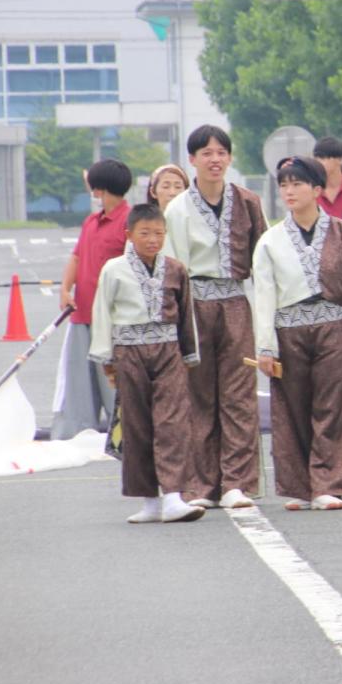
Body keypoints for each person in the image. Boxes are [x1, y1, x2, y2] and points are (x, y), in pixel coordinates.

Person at [253, 156, 342, 511]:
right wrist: (265, 347)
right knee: (292, 410)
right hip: (288, 330)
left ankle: (329, 483)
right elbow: (264, 296)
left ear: (317, 189)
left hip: (334, 328)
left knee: (333, 407)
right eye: (284, 185)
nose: (289, 191)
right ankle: (301, 486)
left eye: (298, 184)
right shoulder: (270, 241)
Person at [165, 125, 268, 510]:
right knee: (198, 395)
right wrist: (175, 324)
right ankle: (201, 484)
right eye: (205, 153)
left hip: (236, 302)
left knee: (239, 394)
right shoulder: (177, 209)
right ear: (191, 159)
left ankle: (237, 483)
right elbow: (173, 271)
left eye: (221, 152)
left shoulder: (248, 202)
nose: (214, 159)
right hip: (195, 304)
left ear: (230, 158)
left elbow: (263, 262)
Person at [88, 203, 204, 524]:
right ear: (129, 235)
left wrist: (189, 354)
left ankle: (174, 495)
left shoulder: (176, 269)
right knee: (137, 425)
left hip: (168, 350)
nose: (153, 240)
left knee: (172, 422)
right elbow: (103, 312)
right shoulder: (113, 269)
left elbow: (185, 315)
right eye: (145, 233)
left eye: (158, 233)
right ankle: (149, 500)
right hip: (129, 351)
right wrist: (106, 357)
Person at [52, 158, 132, 440]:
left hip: (111, 321)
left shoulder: (129, 221)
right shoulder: (91, 222)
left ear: (100, 189)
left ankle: (123, 437)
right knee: (79, 383)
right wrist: (65, 289)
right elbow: (76, 256)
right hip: (82, 315)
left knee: (112, 382)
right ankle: (75, 434)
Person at [314, 136, 342, 218]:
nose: (318, 162)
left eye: (323, 158)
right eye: (316, 158)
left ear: (341, 159)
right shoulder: (312, 190)